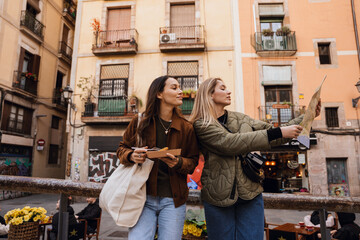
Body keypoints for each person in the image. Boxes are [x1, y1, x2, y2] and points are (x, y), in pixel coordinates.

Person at [189, 77, 321, 240]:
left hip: (250, 193)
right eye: (222, 88)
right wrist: (278, 132)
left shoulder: (241, 119)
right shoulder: (202, 124)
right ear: (209, 95)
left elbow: (275, 133)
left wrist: (308, 116)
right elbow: (229, 143)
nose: (228, 91)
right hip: (217, 196)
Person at [117, 75, 199, 240]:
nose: (181, 91)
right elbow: (121, 149)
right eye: (174, 88)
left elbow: (192, 162)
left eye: (180, 87)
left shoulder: (187, 127)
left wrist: (178, 162)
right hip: (142, 198)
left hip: (173, 201)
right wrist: (132, 155)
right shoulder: (140, 122)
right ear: (159, 94)